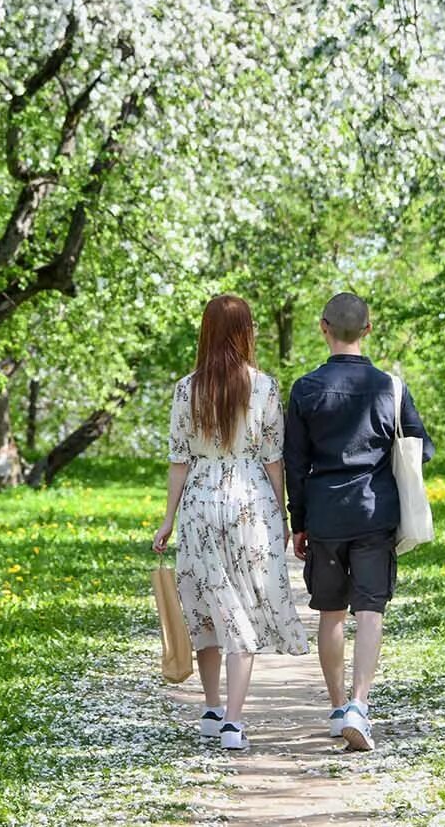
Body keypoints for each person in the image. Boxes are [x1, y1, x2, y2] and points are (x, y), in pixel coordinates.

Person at [152, 293, 308, 751]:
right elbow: (274, 457)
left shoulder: (186, 389)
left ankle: (212, 708)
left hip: (200, 501)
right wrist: (281, 513)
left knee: (206, 607)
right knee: (242, 606)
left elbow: (179, 460)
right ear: (244, 333)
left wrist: (167, 520)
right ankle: (234, 723)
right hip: (248, 500)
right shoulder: (263, 387)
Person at [283, 291, 433, 752]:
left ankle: (335, 708)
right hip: (375, 512)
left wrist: (299, 521)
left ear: (323, 328)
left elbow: (294, 462)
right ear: (368, 330)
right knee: (370, 610)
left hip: (326, 514)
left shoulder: (305, 389)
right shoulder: (392, 387)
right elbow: (421, 449)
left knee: (330, 613)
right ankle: (359, 705)